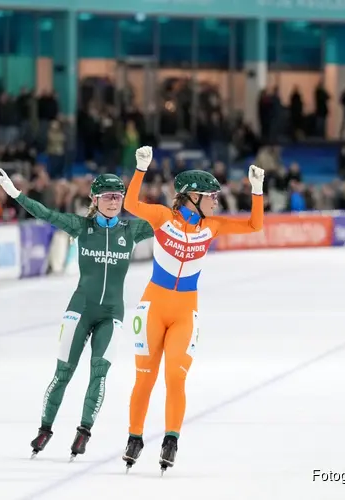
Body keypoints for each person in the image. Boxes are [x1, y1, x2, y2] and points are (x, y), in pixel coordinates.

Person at [121, 146, 264, 474]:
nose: (216, 200)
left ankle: (171, 439)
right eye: (211, 195)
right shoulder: (162, 217)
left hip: (185, 310)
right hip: (154, 306)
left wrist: (257, 190)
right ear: (192, 197)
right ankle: (134, 437)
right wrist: (140, 169)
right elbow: (130, 205)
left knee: (175, 377)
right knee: (145, 378)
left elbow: (254, 226)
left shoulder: (211, 226)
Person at [0, 169, 154, 461]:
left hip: (112, 313)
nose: (113, 201)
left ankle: (84, 431)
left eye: (118, 196)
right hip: (80, 310)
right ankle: (45, 429)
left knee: (99, 373)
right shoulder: (80, 226)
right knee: (63, 373)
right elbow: (45, 213)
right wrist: (16, 194)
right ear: (95, 198)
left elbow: (167, 221)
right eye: (107, 196)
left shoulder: (132, 230)